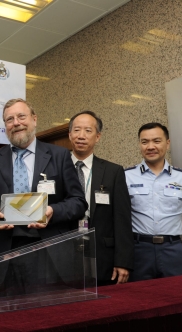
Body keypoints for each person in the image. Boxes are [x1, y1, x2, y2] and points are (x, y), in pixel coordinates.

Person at [0, 98, 87, 291]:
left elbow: (78, 202)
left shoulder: (59, 156)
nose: (16, 123)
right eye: (9, 119)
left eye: (21, 116)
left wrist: (52, 211)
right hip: (5, 252)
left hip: (49, 251)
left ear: (34, 119)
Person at [125, 122, 182, 281]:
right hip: (138, 250)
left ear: (167, 143)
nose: (150, 146)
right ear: (139, 145)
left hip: (173, 250)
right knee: (140, 300)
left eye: (156, 141)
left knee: (178, 298)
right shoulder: (125, 177)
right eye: (144, 142)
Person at [68, 110, 134, 286]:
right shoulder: (56, 168)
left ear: (97, 137)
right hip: (63, 254)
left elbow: (122, 219)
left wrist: (123, 261)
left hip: (103, 255)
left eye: (88, 131)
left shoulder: (114, 172)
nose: (81, 136)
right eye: (77, 130)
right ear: (69, 135)